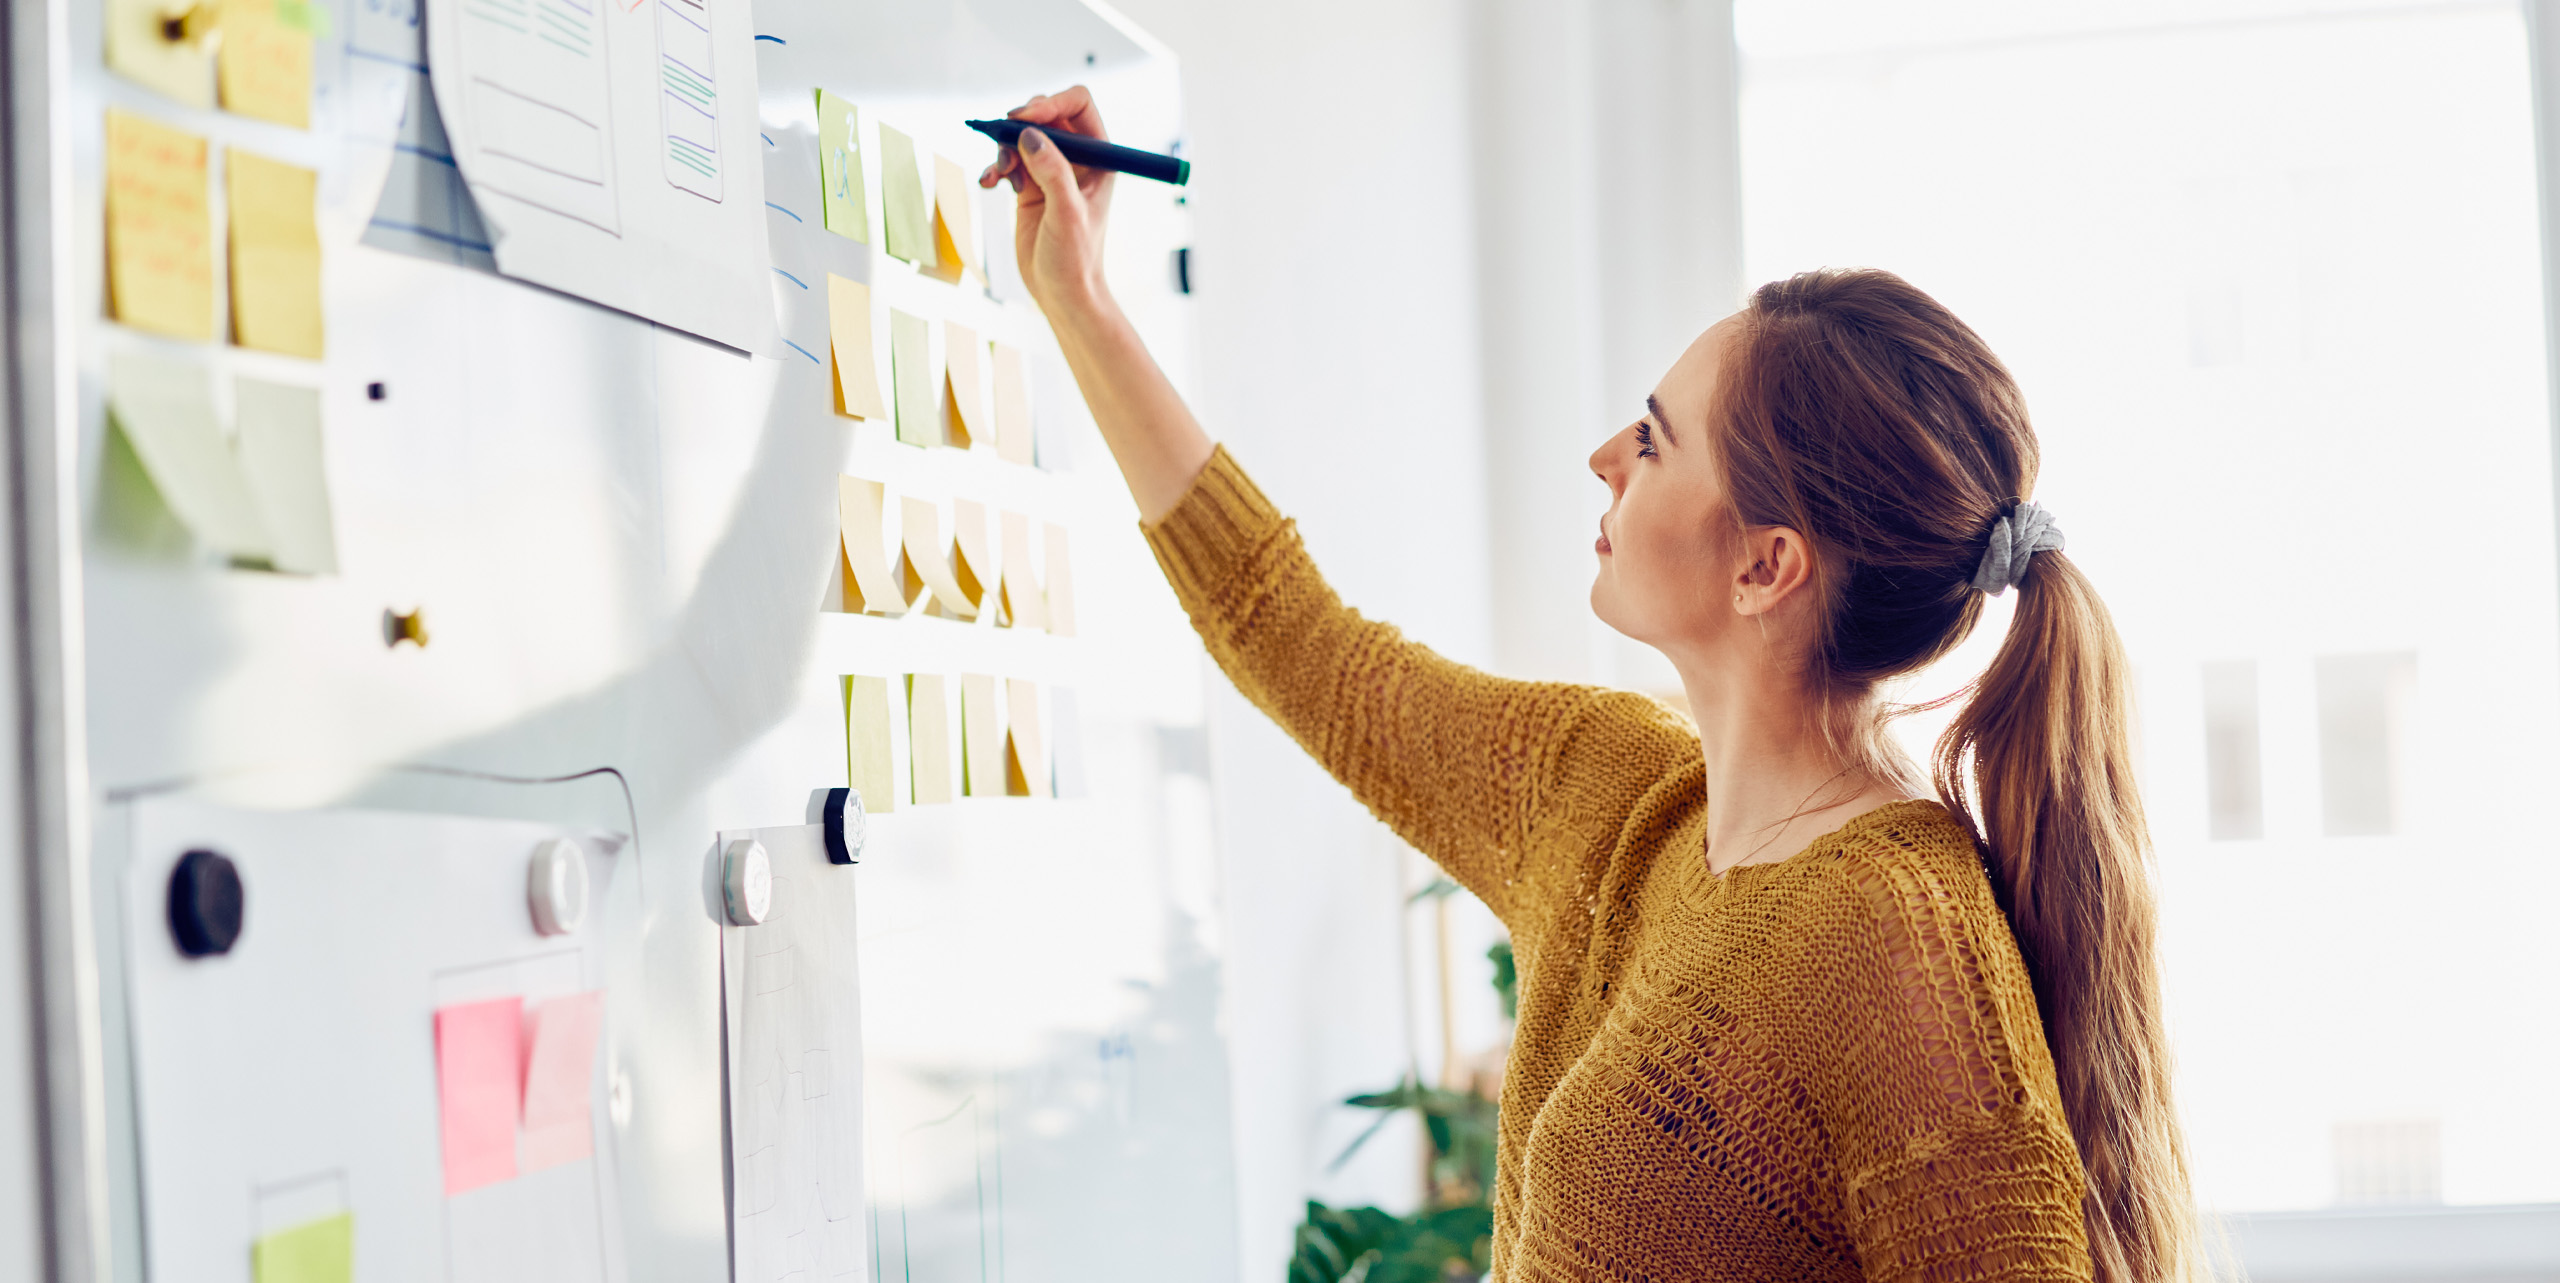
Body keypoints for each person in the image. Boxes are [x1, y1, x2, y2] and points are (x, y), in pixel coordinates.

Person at [983, 87, 2199, 1283]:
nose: (1604, 458)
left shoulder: (1896, 939)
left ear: (1765, 564)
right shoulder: (1614, 792)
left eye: (1655, 439)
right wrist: (1079, 299)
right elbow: (1299, 639)